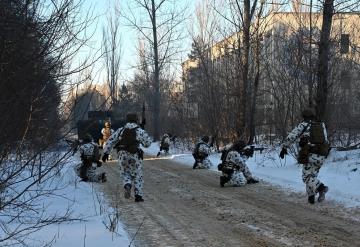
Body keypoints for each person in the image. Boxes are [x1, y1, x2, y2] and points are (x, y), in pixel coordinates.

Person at [280, 108, 330, 204]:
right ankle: (311, 198)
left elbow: (292, 136)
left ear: (304, 117)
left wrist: (284, 147)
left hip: (311, 154)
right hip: (322, 154)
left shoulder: (303, 125)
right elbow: (325, 140)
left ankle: (321, 188)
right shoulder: (321, 124)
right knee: (312, 175)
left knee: (306, 177)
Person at [102, 113, 151, 202]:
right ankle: (138, 196)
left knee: (125, 173)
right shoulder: (139, 130)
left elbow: (110, 141)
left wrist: (106, 153)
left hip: (122, 155)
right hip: (135, 155)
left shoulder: (121, 130)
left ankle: (127, 184)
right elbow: (147, 143)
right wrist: (143, 130)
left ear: (127, 120)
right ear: (136, 120)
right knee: (137, 175)